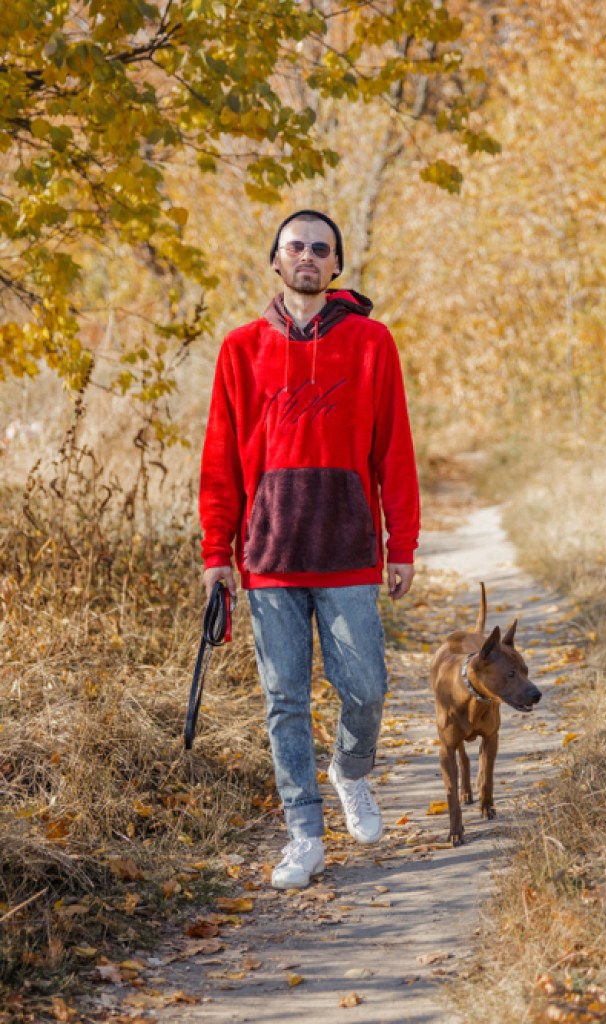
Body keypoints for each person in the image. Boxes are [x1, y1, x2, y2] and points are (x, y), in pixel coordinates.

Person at [199, 209, 419, 889]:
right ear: (275, 259)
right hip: (269, 556)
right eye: (295, 246)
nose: (307, 257)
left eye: (321, 249)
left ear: (335, 266)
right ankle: (304, 835)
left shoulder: (372, 342)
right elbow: (219, 462)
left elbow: (395, 449)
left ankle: (350, 771)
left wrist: (402, 542)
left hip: (348, 550)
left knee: (367, 688)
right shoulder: (240, 349)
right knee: (284, 702)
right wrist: (216, 555)